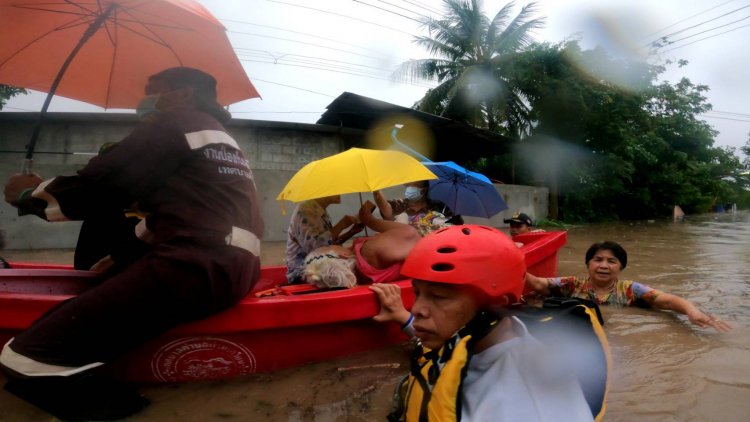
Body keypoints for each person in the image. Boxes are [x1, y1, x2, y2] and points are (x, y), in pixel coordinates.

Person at [0, 67, 264, 420]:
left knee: (25, 357)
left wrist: (29, 195)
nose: (147, 99)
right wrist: (118, 259)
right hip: (235, 268)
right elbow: (172, 220)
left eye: (154, 90)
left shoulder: (173, 124)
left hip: (193, 265)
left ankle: (129, 412)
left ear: (183, 94)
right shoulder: (224, 143)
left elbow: (104, 183)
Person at [370, 225, 595, 421]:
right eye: (417, 293)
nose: (417, 309)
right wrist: (402, 317)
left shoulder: (529, 405)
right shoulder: (476, 339)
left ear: (495, 303)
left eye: (438, 297)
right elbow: (443, 342)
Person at [524, 240, 732, 332]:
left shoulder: (631, 289)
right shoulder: (571, 285)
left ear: (620, 267)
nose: (604, 266)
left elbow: (666, 300)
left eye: (612, 261)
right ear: (588, 264)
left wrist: (691, 310)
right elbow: (536, 284)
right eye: (598, 260)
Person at [302, 200, 422, 288]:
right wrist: (369, 220)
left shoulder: (361, 273)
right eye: (328, 247)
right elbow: (410, 234)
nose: (332, 244)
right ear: (343, 255)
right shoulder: (367, 252)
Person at [285, 194, 363, 283]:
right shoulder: (306, 211)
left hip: (321, 267)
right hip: (304, 273)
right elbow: (318, 248)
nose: (340, 192)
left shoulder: (318, 210)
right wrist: (342, 224)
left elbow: (330, 245)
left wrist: (351, 232)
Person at [373, 180, 461, 236]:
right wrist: (376, 190)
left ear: (424, 190)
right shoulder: (399, 205)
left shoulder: (440, 207)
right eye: (408, 185)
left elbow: (454, 227)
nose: (409, 188)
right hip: (404, 252)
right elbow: (386, 210)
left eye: (413, 185)